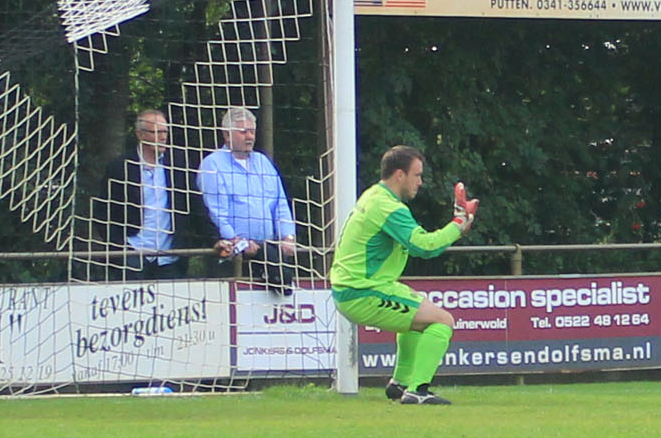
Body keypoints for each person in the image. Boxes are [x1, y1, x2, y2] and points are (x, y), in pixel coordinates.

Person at [331, 146, 477, 404]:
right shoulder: (389, 208)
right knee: (442, 321)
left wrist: (456, 225)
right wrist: (458, 224)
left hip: (354, 287)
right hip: (362, 291)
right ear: (400, 175)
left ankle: (399, 384)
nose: (420, 182)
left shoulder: (373, 196)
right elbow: (425, 247)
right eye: (417, 175)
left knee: (419, 316)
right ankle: (417, 390)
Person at [84, 108, 207, 279]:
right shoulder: (120, 167)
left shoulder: (178, 163)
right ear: (140, 135)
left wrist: (215, 239)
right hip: (133, 254)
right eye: (157, 132)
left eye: (165, 131)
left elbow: (196, 205)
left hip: (170, 257)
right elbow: (103, 214)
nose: (163, 137)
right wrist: (119, 247)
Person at [199, 106, 298, 291]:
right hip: (233, 257)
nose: (250, 137)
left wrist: (288, 236)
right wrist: (238, 241)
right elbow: (216, 213)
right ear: (227, 135)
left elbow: (280, 203)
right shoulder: (212, 165)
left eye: (252, 131)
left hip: (269, 254)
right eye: (243, 132)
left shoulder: (263, 162)